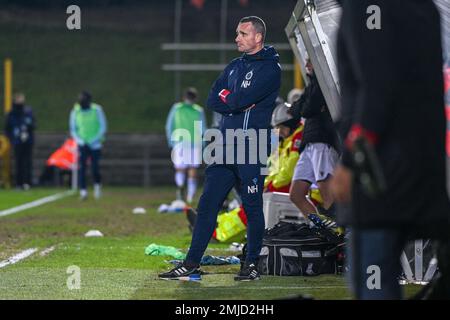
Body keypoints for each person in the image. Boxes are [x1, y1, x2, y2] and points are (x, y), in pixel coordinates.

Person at [331, 0, 450, 299]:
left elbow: (376, 88)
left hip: (378, 176)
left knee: (372, 280)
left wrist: (349, 162)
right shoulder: (424, 8)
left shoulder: (365, 8)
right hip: (424, 169)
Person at [159, 16, 281, 281]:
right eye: (237, 33)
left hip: (251, 145)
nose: (236, 38)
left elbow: (239, 99)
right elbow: (215, 97)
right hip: (224, 144)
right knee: (207, 205)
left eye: (242, 33)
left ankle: (250, 265)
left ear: (258, 37)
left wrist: (233, 100)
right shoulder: (234, 66)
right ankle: (191, 263)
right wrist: (232, 100)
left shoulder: (271, 69)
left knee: (252, 206)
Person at [287, 58, 341, 231]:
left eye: (310, 62)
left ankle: (341, 231)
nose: (306, 65)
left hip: (322, 141)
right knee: (296, 194)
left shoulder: (324, 83)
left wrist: (303, 107)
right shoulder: (311, 86)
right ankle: (325, 230)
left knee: (326, 189)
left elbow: (306, 109)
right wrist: (303, 107)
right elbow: (296, 111)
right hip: (308, 143)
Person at [165, 87, 206, 204]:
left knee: (180, 169)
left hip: (180, 141)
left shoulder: (176, 108)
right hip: (195, 143)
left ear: (184, 97)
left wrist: (170, 141)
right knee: (192, 169)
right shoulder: (199, 110)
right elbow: (202, 129)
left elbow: (169, 125)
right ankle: (190, 197)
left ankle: (180, 190)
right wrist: (203, 145)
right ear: (195, 99)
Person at [69, 91, 107, 200]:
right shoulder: (75, 111)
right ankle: (83, 191)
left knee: (95, 167)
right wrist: (81, 141)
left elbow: (103, 127)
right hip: (82, 144)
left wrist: (92, 141)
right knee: (82, 168)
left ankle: (97, 187)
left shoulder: (97, 109)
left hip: (95, 145)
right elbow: (73, 129)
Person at [5, 93, 35, 190]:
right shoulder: (12, 113)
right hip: (17, 142)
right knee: (18, 163)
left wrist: (27, 132)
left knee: (27, 162)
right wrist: (13, 138)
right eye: (18, 99)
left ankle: (27, 182)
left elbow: (33, 124)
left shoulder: (28, 111)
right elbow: (8, 128)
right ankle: (18, 183)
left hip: (27, 141)